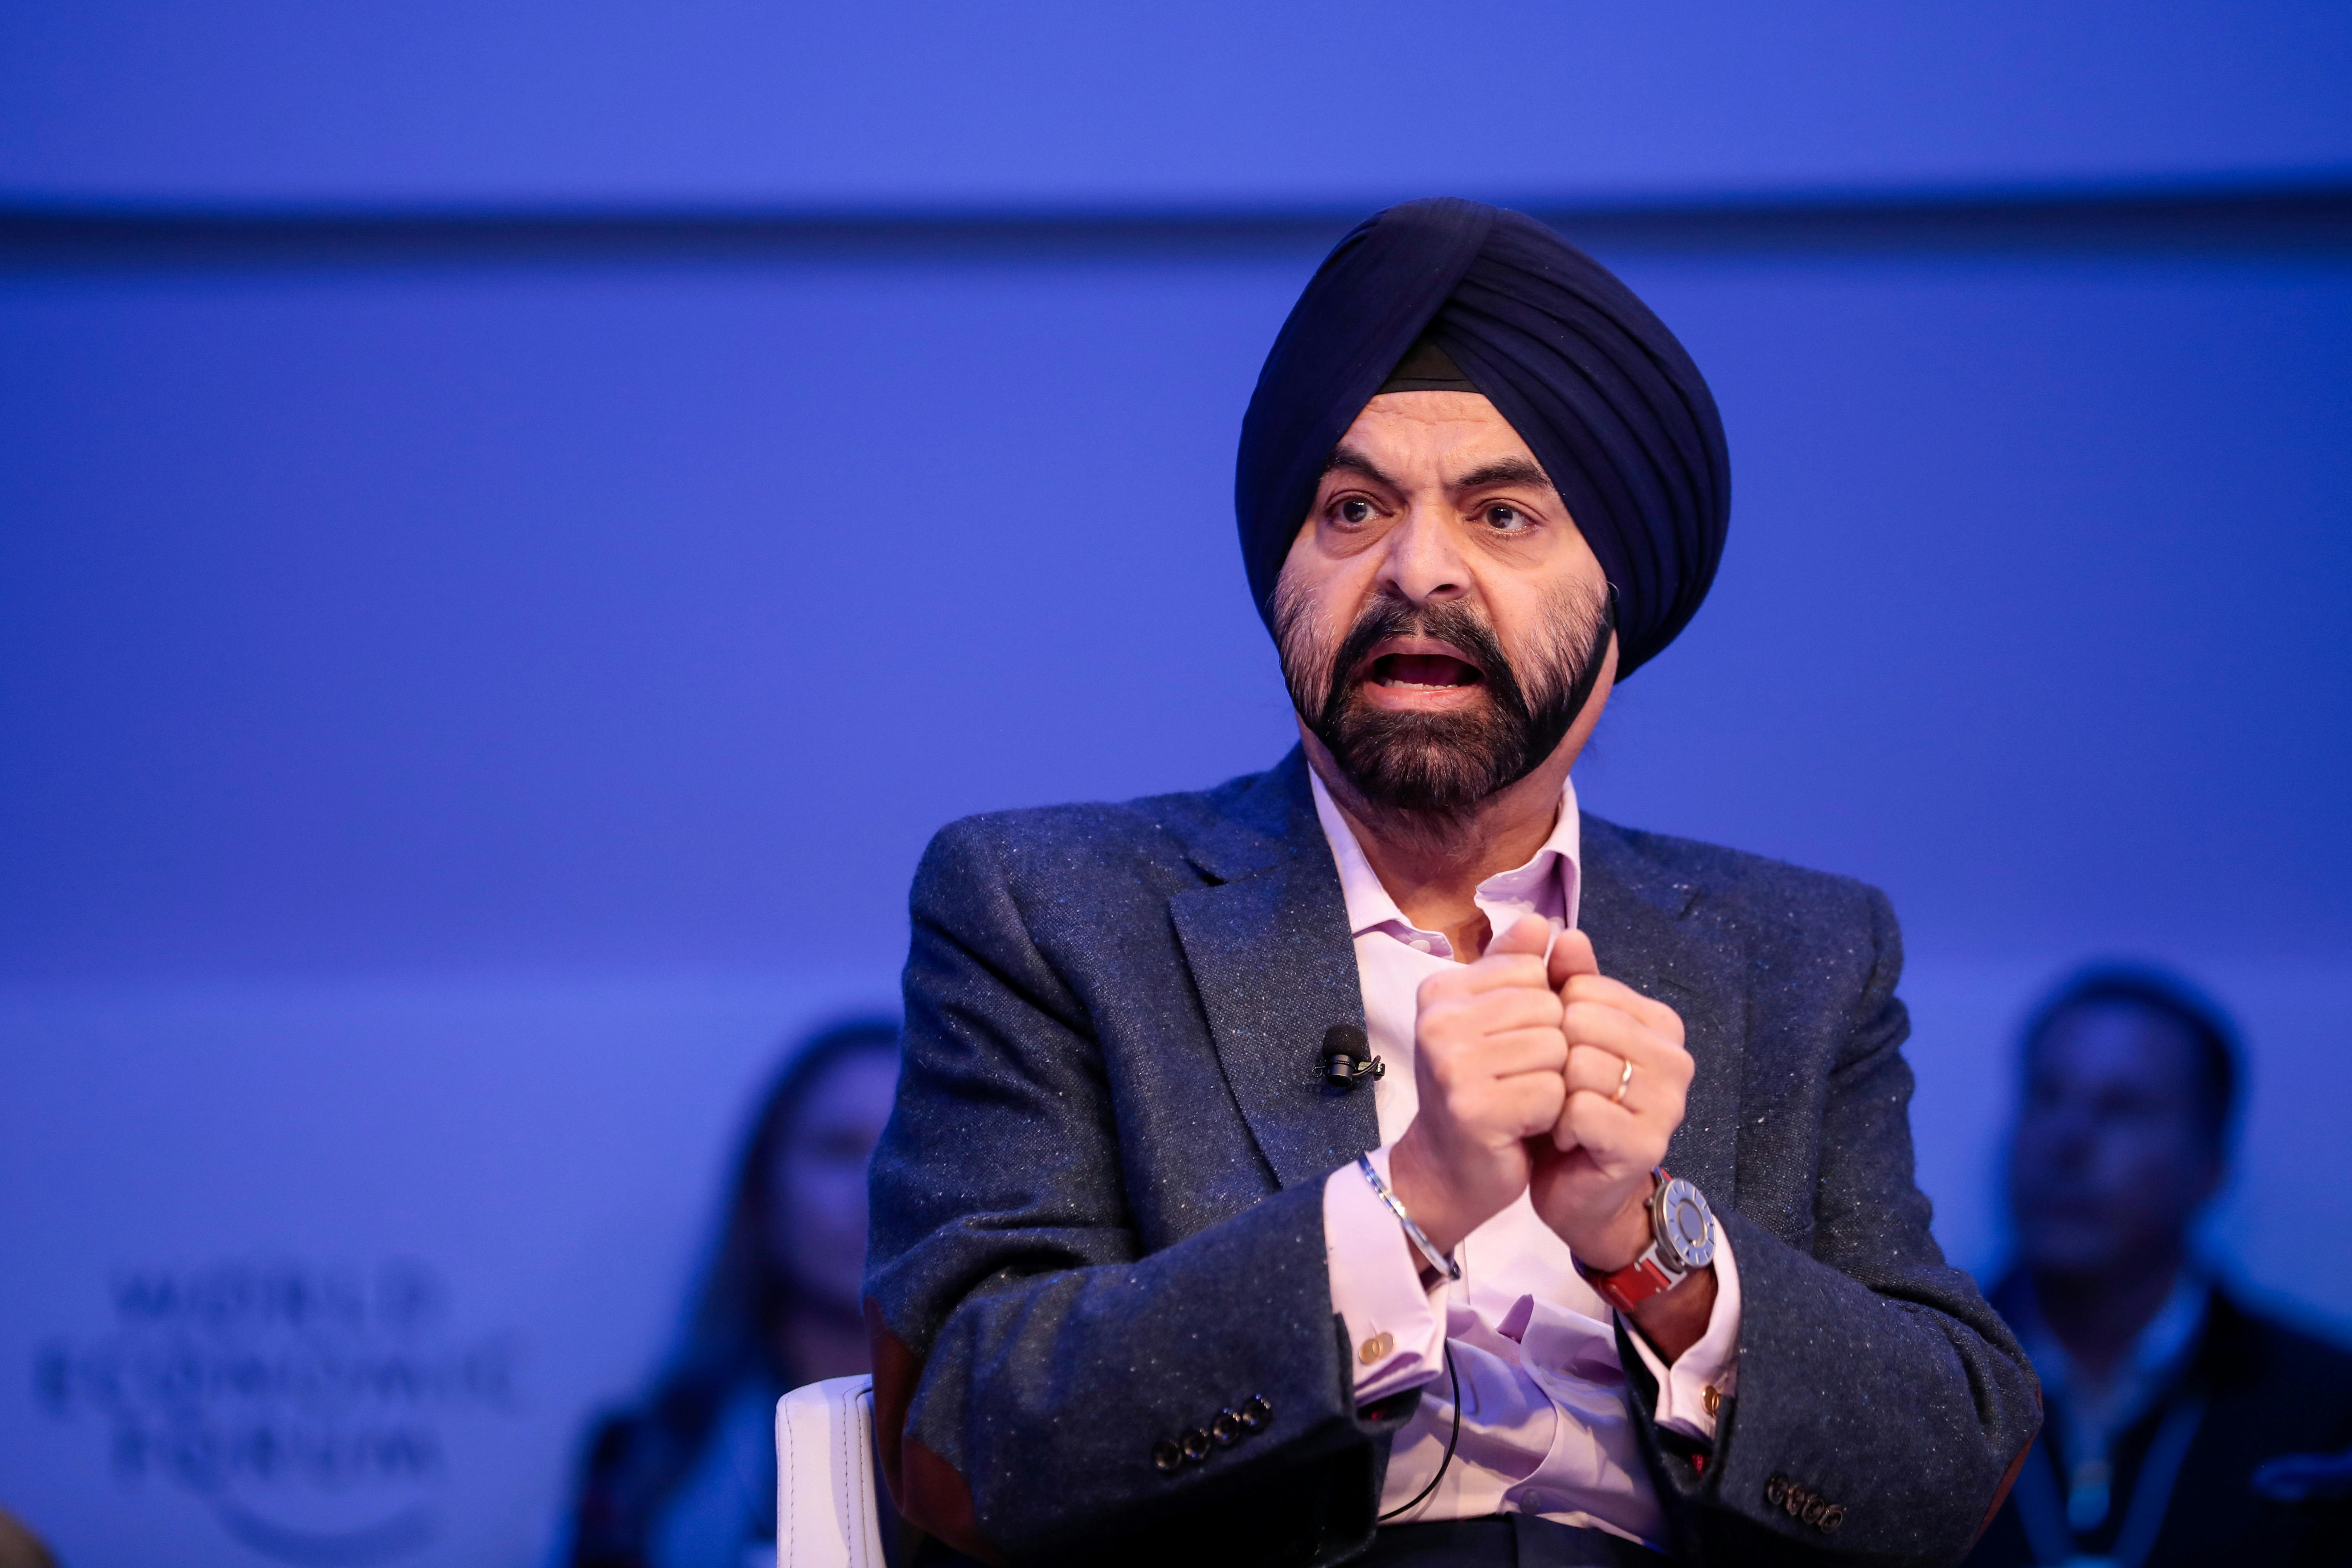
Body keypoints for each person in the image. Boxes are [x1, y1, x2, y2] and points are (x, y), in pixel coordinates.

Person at [865, 197, 2039, 1567]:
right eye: (1352, 508)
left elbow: (1955, 1468)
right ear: (1280, 575)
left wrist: (1653, 1249)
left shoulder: (1800, 951)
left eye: (1501, 513)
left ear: (1620, 613)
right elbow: (955, 1441)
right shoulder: (1047, 903)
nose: (1417, 568)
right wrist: (1403, 1206)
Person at [1967, 968, 2352, 1567]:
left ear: (2212, 1165)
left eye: (2121, 1109)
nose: (2066, 1139)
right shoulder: (1905, 1386)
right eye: (2045, 1096)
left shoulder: (2328, 1413)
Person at [570, 1018, 900, 1568]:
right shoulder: (647, 1455)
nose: (875, 1185)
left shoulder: (1025, 1440)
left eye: (908, 1147)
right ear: (764, 1187)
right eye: (839, 1149)